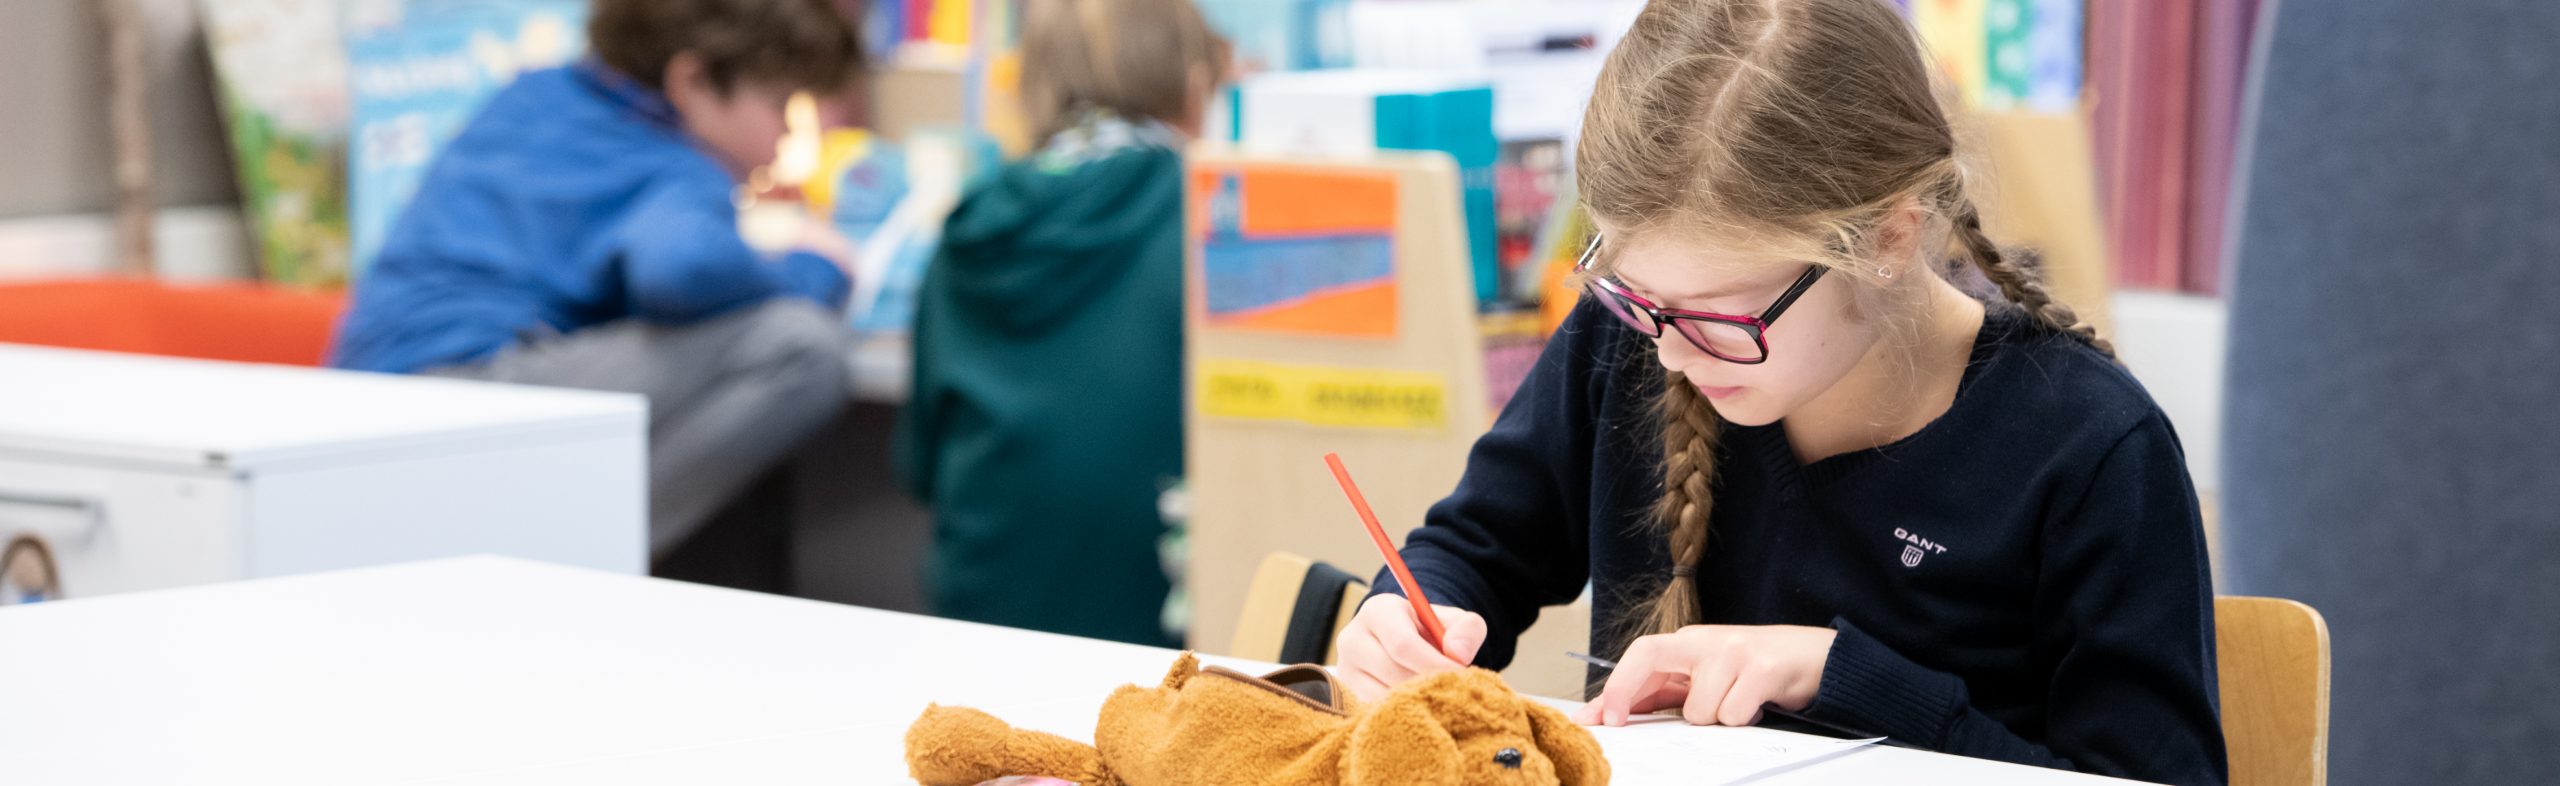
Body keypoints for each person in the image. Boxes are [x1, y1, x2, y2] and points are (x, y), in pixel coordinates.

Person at [1331, 1, 2228, 783]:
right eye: (1636, 295)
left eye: (1722, 317)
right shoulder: (1631, 337)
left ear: (1889, 240)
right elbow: (1477, 548)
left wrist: (1842, 677)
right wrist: (1409, 614)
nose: (1669, 352)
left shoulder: (2088, 446)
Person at [329, 0, 867, 575]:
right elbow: (682, 271)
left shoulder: (538, 94)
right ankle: (572, 562)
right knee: (799, 344)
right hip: (472, 382)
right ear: (692, 81)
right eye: (780, 105)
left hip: (367, 392)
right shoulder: (668, 159)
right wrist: (816, 268)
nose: (784, 138)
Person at [896, 0, 1229, 646]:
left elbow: (918, 466)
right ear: (1194, 86)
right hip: (1158, 630)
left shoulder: (972, 222)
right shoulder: (1210, 216)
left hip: (980, 619)